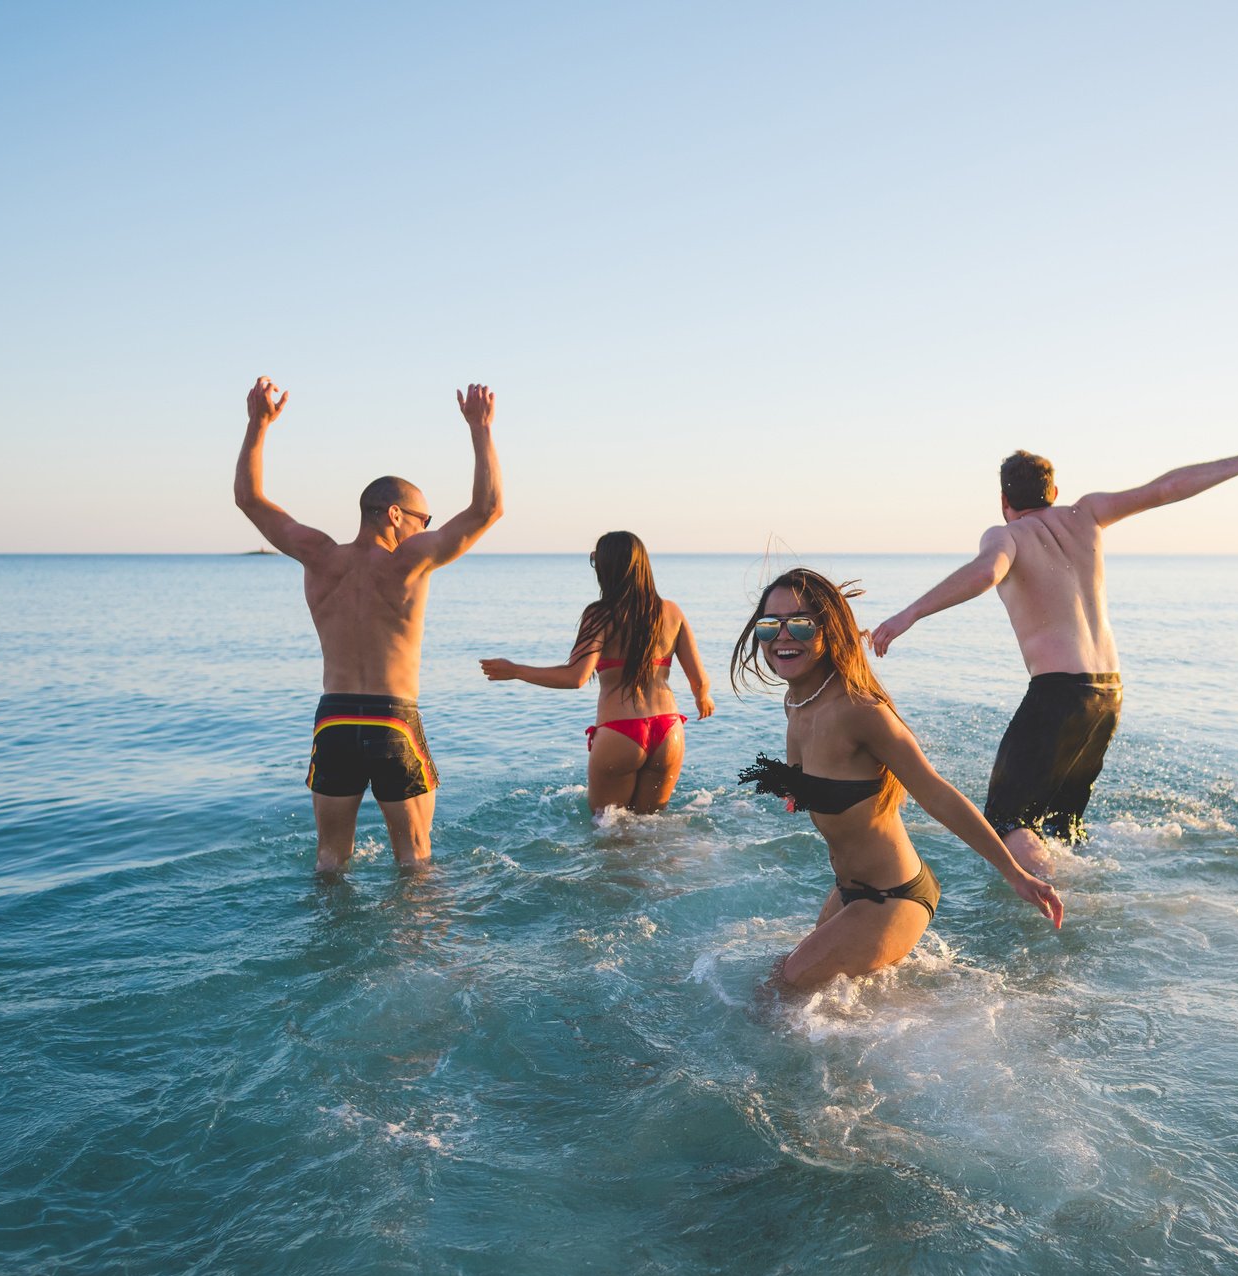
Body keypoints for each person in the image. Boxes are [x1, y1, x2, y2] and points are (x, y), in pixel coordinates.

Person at [870, 436, 1238, 878]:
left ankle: (1060, 902)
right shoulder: (1089, 514)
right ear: (1053, 493)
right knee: (1063, 826)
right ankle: (1076, 886)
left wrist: (910, 614)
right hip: (1108, 694)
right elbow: (1165, 489)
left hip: (1058, 693)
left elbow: (986, 571)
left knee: (1007, 824)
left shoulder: (1005, 535)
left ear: (1003, 500)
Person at [731, 568, 1063, 992]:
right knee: (785, 980)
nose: (782, 636)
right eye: (769, 625)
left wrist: (1015, 873)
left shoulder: (861, 711)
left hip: (893, 897)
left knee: (781, 991)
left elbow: (937, 794)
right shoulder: (796, 701)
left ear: (828, 630)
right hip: (849, 892)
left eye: (799, 623)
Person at [232, 375, 504, 873]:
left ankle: (324, 946)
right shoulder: (409, 561)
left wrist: (257, 425)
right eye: (424, 520)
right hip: (392, 719)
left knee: (330, 862)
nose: (427, 529)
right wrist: (480, 428)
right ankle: (418, 951)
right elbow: (487, 510)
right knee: (415, 863)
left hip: (334, 721)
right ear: (395, 515)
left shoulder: (317, 556)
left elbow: (249, 499)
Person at [478, 531, 716, 814]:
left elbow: (575, 677)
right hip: (668, 731)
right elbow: (700, 681)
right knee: (653, 831)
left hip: (621, 733)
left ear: (608, 567)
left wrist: (516, 670)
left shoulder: (600, 615)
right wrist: (703, 699)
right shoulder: (671, 612)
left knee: (608, 837)